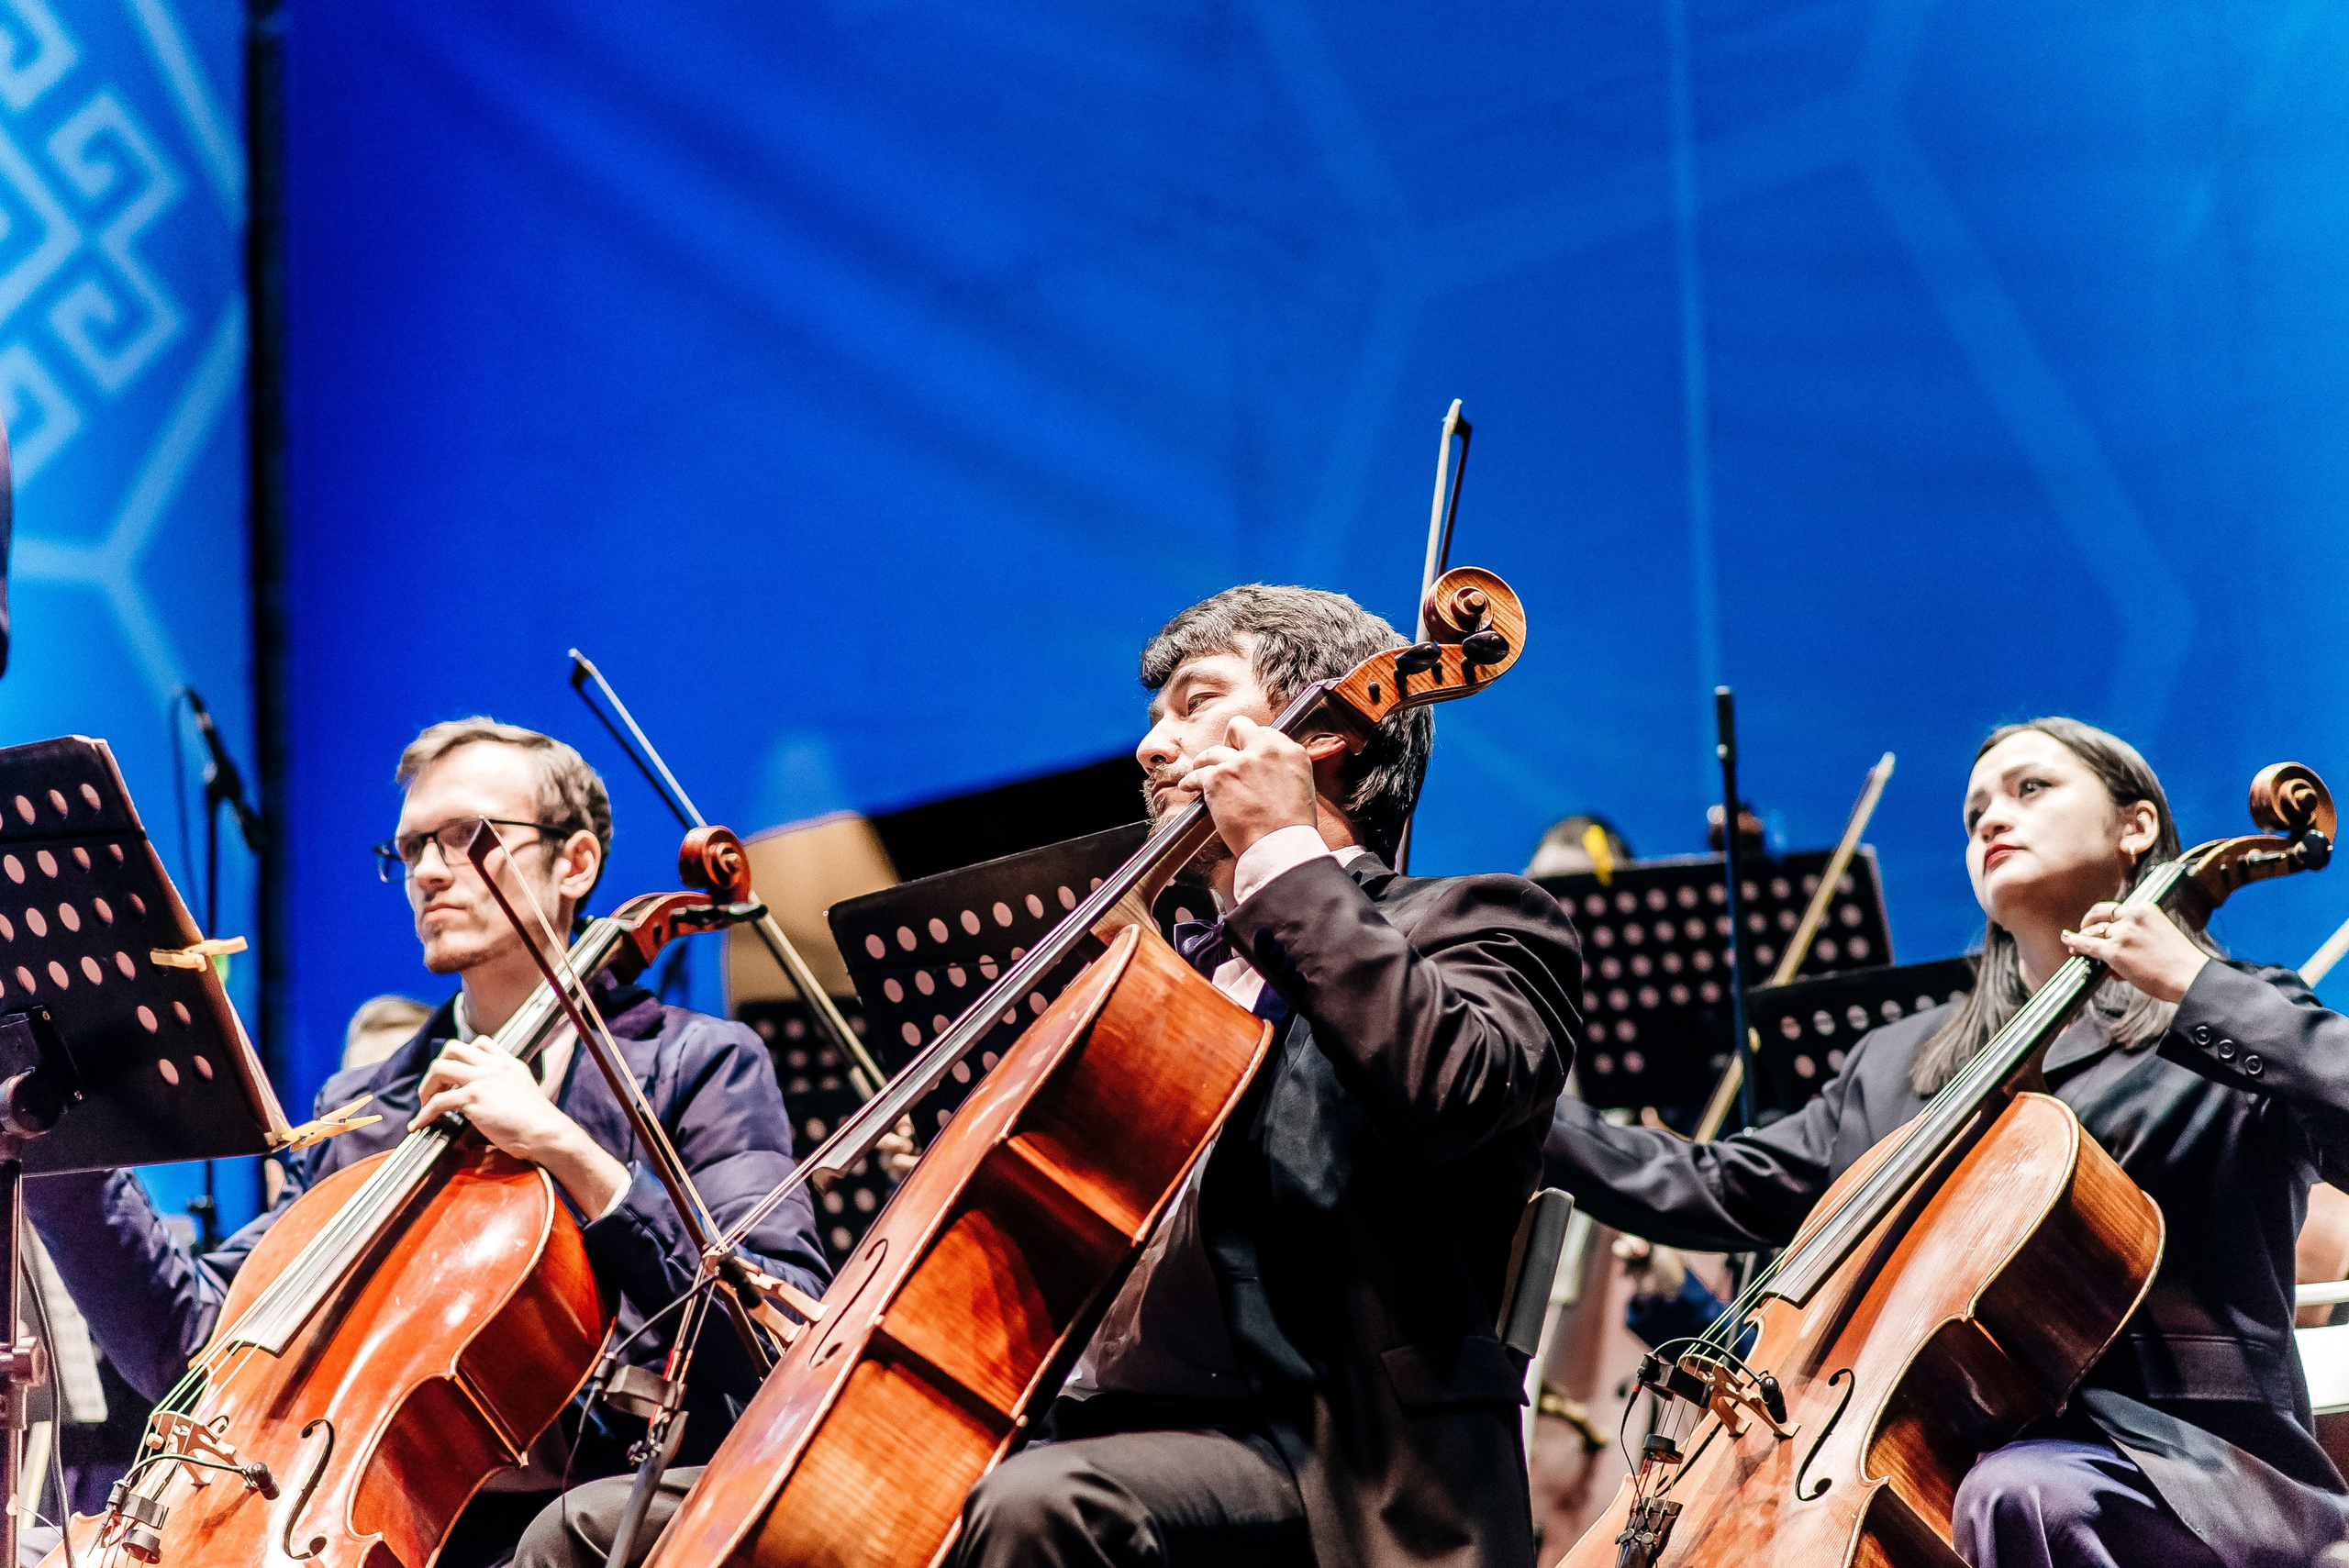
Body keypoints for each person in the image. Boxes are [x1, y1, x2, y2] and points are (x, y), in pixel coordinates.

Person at [1543, 717, 2349, 1568]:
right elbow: (1711, 1181)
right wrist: (1510, 1095)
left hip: (2191, 1477)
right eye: (1973, 815)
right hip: (1936, 1466)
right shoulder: (1901, 1070)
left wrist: (2194, 983)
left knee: (2021, 1492)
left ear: (2135, 825)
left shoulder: (2226, 1020)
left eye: (2030, 788)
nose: (1993, 818)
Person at [27, 718, 830, 1568]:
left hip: (605, 1525)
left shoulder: (698, 1066)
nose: (429, 871)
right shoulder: (370, 1110)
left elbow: (783, 1338)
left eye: (467, 837)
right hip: (379, 1531)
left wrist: (575, 1156)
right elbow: (197, 1342)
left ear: (575, 863)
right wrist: (63, 1145)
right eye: (411, 848)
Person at [928, 584, 1581, 1568]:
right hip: (1097, 1424)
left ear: (1320, 734)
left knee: (1043, 1505)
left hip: (1329, 1460)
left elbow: (1447, 1087)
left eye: (1195, 702)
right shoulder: (1158, 977)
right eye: (1154, 717)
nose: (1151, 747)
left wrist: (1278, 850)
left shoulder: (1477, 923)